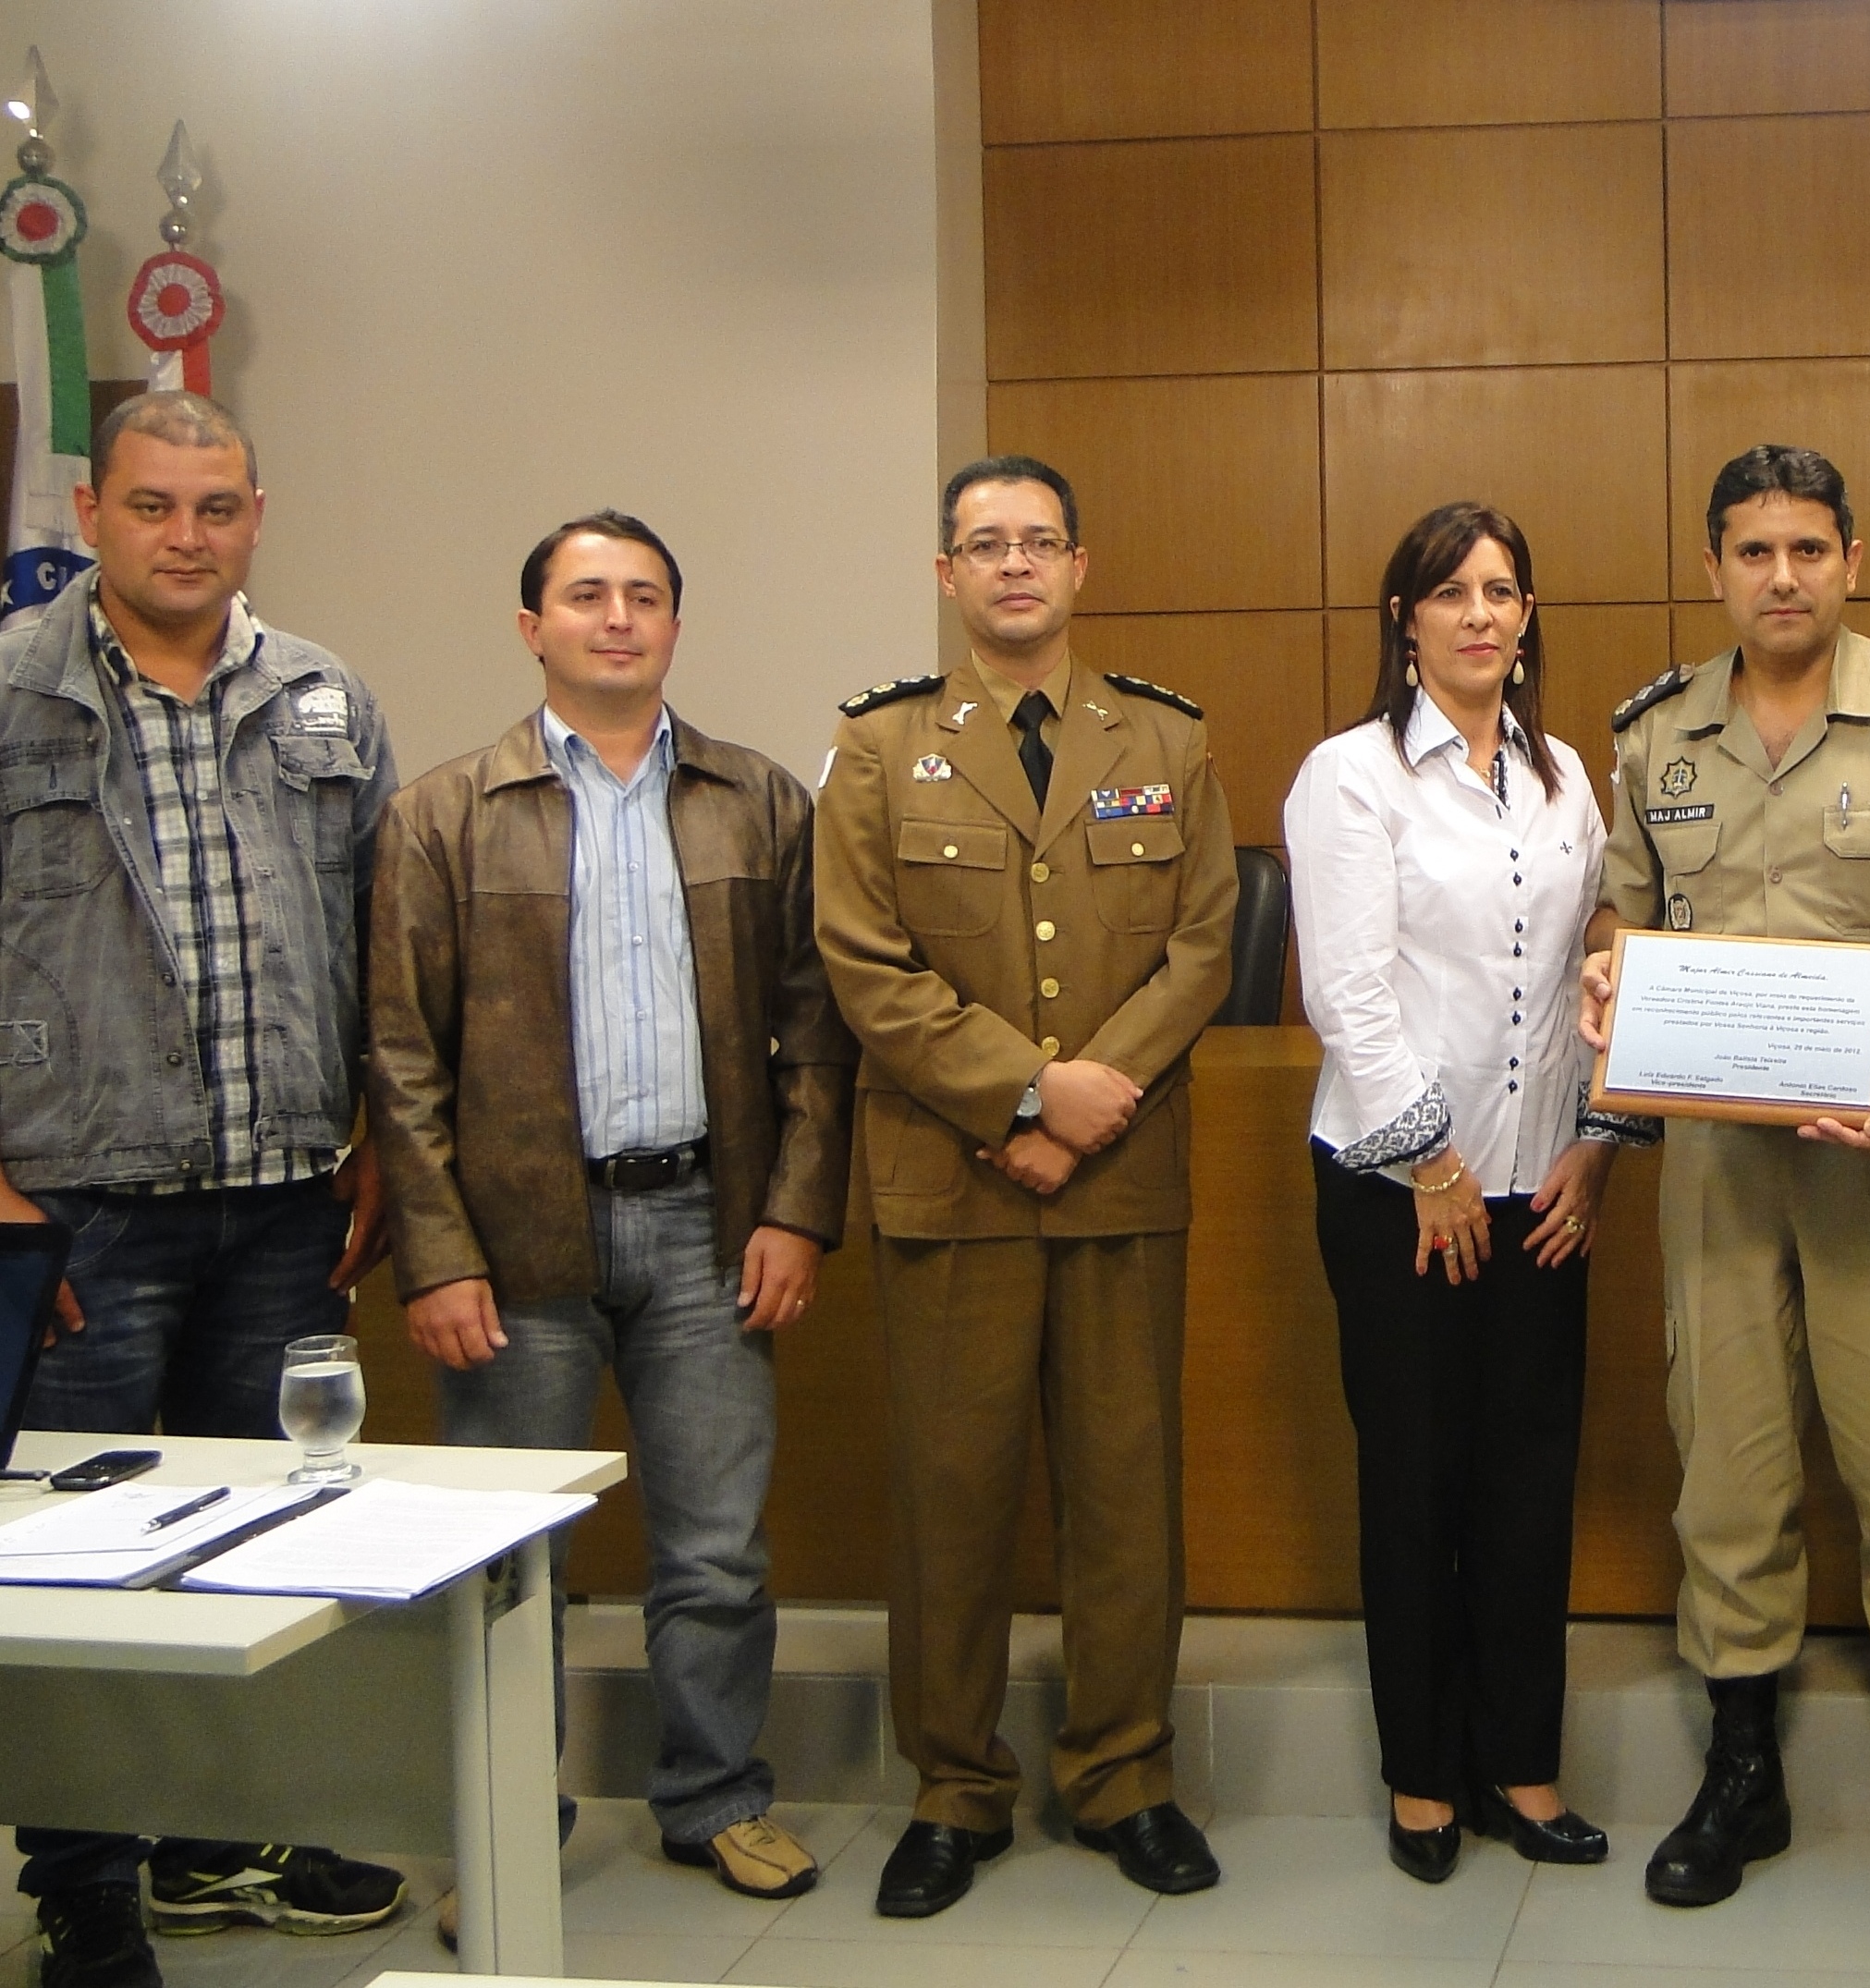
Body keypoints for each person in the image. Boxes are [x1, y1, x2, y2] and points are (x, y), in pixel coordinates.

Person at [1580, 444, 1870, 1920]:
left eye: (1808, 549)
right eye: (1752, 551)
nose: (1781, 576)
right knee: (1726, 1448)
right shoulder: (1656, 735)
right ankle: (1740, 1763)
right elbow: (1624, 909)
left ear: (1852, 558)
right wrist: (1604, 964)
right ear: (1714, 565)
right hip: (1715, 1159)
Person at [368, 511, 855, 1909]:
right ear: (532, 627)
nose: (618, 618)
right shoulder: (447, 810)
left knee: (717, 1546)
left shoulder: (757, 799)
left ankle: (713, 1797)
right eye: (587, 596)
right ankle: (508, 1812)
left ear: (676, 627)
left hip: (712, 1228)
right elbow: (400, 1054)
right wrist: (436, 1250)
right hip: (516, 1249)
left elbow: (816, 1030)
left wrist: (796, 1211)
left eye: (645, 596)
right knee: (516, 1555)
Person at [0, 392, 406, 1988]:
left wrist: (373, 1134)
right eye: (156, 506)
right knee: (77, 1573)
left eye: (217, 507)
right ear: (93, 510)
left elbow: (382, 943)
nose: (187, 535)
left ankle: (230, 1831)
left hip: (286, 1208)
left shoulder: (323, 697)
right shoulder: (13, 696)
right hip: (77, 1212)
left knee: (267, 1539)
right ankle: (85, 1885)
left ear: (257, 512)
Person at [816, 454, 1239, 1916]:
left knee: (1127, 1492)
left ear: (1080, 565)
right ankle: (955, 1784)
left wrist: (1088, 1096)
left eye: (1038, 542)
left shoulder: (1167, 740)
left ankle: (1124, 1772)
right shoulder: (877, 748)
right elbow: (865, 961)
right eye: (984, 545)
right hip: (953, 1174)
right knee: (954, 1496)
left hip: (1119, 1176)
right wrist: (1018, 1092)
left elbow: (1203, 940)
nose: (1013, 566)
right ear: (947, 574)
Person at [1285, 500, 1642, 1884]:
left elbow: (1592, 971)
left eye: (1504, 589)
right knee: (1418, 1483)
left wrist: (1595, 1139)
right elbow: (1348, 988)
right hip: (1397, 1193)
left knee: (1527, 1483)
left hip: (1542, 1185)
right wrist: (1430, 1158)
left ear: (1528, 612)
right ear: (1406, 618)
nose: (1481, 613)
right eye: (1452, 591)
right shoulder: (1352, 773)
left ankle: (1522, 1765)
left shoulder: (1562, 778)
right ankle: (1423, 1774)